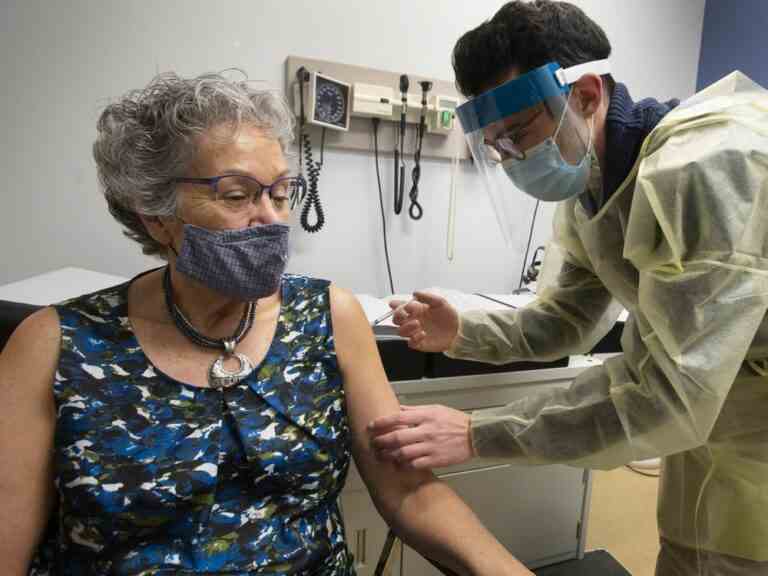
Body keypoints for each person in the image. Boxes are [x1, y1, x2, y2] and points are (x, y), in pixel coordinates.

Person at [0, 71, 530, 576]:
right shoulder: (55, 347)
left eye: (280, 193)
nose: (272, 219)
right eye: (237, 196)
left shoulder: (329, 317)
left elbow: (407, 489)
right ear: (154, 214)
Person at [367, 2, 768, 575]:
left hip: (744, 417)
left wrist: (481, 433)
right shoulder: (596, 184)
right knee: (689, 555)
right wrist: (464, 331)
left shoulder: (703, 170)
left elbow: (671, 396)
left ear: (584, 95)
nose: (513, 159)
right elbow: (567, 321)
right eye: (498, 144)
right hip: (716, 418)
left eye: (521, 134)